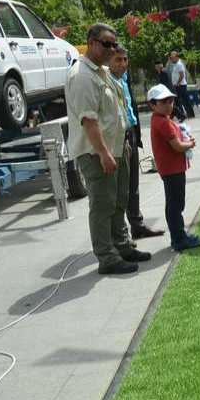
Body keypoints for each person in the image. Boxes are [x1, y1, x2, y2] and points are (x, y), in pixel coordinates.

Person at [66, 24, 150, 275]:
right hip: (96, 153)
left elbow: (115, 112)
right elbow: (89, 121)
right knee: (103, 205)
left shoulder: (102, 72)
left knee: (119, 200)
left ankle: (122, 246)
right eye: (106, 44)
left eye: (114, 44)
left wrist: (122, 142)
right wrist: (103, 153)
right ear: (91, 43)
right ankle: (107, 257)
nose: (112, 49)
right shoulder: (82, 75)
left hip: (115, 148)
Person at [108, 47, 163, 239]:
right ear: (109, 61)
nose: (122, 64)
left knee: (133, 186)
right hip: (117, 138)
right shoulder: (105, 80)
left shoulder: (124, 77)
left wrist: (136, 135)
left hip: (131, 133)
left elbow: (130, 106)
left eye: (125, 59)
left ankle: (137, 225)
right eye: (118, 60)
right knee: (120, 189)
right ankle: (119, 234)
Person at [147, 84, 200, 251]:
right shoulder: (162, 122)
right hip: (172, 169)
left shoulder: (161, 119)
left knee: (175, 203)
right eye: (164, 102)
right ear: (153, 105)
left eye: (171, 101)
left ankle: (179, 236)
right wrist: (190, 144)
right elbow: (177, 146)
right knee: (176, 204)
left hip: (171, 168)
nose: (169, 105)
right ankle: (178, 239)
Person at [169, 51, 196, 120]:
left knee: (183, 100)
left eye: (172, 58)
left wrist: (177, 83)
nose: (171, 59)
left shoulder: (179, 64)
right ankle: (184, 114)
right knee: (180, 101)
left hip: (180, 85)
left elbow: (182, 75)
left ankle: (188, 114)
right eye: (171, 58)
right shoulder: (175, 65)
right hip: (178, 85)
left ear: (177, 57)